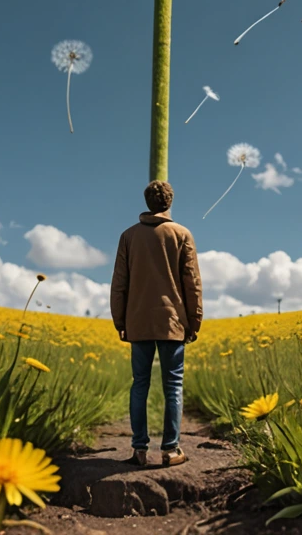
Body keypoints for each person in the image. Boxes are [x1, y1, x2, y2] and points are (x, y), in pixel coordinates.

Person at [110, 180, 202, 467]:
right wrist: (195, 320)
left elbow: (119, 283)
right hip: (172, 322)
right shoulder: (182, 234)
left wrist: (120, 320)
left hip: (138, 321)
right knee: (172, 385)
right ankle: (171, 450)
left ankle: (139, 450)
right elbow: (192, 283)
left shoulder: (128, 236)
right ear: (169, 202)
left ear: (147, 202)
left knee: (140, 384)